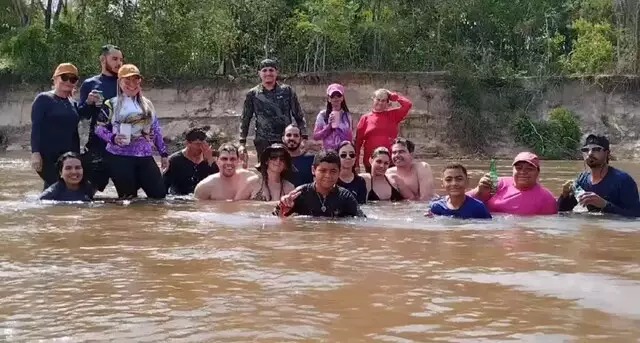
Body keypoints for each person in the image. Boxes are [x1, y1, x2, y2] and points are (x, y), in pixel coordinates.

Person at [95, 64, 168, 199]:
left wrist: (163, 153)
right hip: (119, 157)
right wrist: (113, 138)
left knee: (159, 196)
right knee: (128, 199)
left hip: (145, 155)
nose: (132, 84)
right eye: (127, 80)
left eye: (135, 79)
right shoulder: (111, 104)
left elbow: (156, 128)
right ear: (119, 82)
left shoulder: (147, 104)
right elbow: (98, 128)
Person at [239, 58, 308, 162]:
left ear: (277, 72)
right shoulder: (253, 94)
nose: (268, 73)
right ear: (259, 73)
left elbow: (298, 115)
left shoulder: (287, 91)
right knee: (265, 172)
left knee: (286, 170)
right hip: (263, 141)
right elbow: (245, 118)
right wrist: (242, 143)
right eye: (264, 70)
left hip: (285, 140)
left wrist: (304, 137)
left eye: (271, 70)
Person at [77, 44, 124, 193]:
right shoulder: (90, 84)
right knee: (87, 194)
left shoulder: (125, 83)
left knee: (128, 197)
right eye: (114, 59)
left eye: (121, 60)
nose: (119, 63)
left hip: (122, 143)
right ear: (103, 59)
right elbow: (82, 114)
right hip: (98, 144)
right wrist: (88, 102)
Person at [557, 134, 640, 217]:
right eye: (585, 150)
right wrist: (564, 196)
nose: (589, 153)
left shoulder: (623, 181)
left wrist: (605, 205)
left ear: (607, 153)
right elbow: (562, 212)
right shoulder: (582, 180)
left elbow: (636, 215)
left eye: (596, 149)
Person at [30, 63, 81, 190]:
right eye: (64, 77)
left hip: (67, 158)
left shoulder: (73, 103)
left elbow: (74, 133)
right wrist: (35, 153)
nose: (68, 81)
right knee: (58, 187)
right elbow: (36, 127)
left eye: (73, 79)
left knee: (60, 190)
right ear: (55, 78)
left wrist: (77, 157)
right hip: (47, 156)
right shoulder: (43, 99)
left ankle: (45, 208)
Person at [274, 150, 365, 218]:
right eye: (323, 171)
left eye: (333, 171)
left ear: (339, 172)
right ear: (313, 170)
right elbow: (273, 219)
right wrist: (283, 208)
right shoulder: (300, 194)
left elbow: (363, 221)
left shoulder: (345, 197)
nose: (328, 175)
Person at [467, 152, 558, 216]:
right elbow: (460, 201)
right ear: (513, 170)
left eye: (529, 169)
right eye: (519, 168)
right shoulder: (497, 183)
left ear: (537, 173)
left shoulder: (547, 199)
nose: (523, 172)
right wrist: (479, 192)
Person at [354, 89, 412, 173]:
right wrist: (356, 164)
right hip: (371, 162)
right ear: (373, 99)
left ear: (387, 103)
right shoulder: (365, 118)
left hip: (390, 161)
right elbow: (358, 143)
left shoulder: (394, 115)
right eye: (378, 99)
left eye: (383, 100)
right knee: (372, 185)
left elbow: (408, 105)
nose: (380, 103)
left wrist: (394, 96)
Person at [162, 128, 219, 195]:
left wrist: (210, 160)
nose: (201, 148)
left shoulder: (208, 160)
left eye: (203, 144)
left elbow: (218, 180)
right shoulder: (175, 160)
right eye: (198, 144)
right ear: (187, 143)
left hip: (201, 198)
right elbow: (164, 186)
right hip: (179, 199)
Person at [427, 163, 491, 219]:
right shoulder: (436, 206)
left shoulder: (478, 208)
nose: (454, 183)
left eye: (459, 179)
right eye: (448, 180)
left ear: (467, 181)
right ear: (442, 183)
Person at [313, 83, 353, 151]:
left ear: (342, 98)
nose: (336, 98)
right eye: (333, 96)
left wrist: (339, 129)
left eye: (338, 95)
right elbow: (316, 136)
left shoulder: (347, 116)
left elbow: (350, 138)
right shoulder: (323, 115)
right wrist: (329, 127)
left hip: (343, 153)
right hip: (328, 153)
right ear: (329, 99)